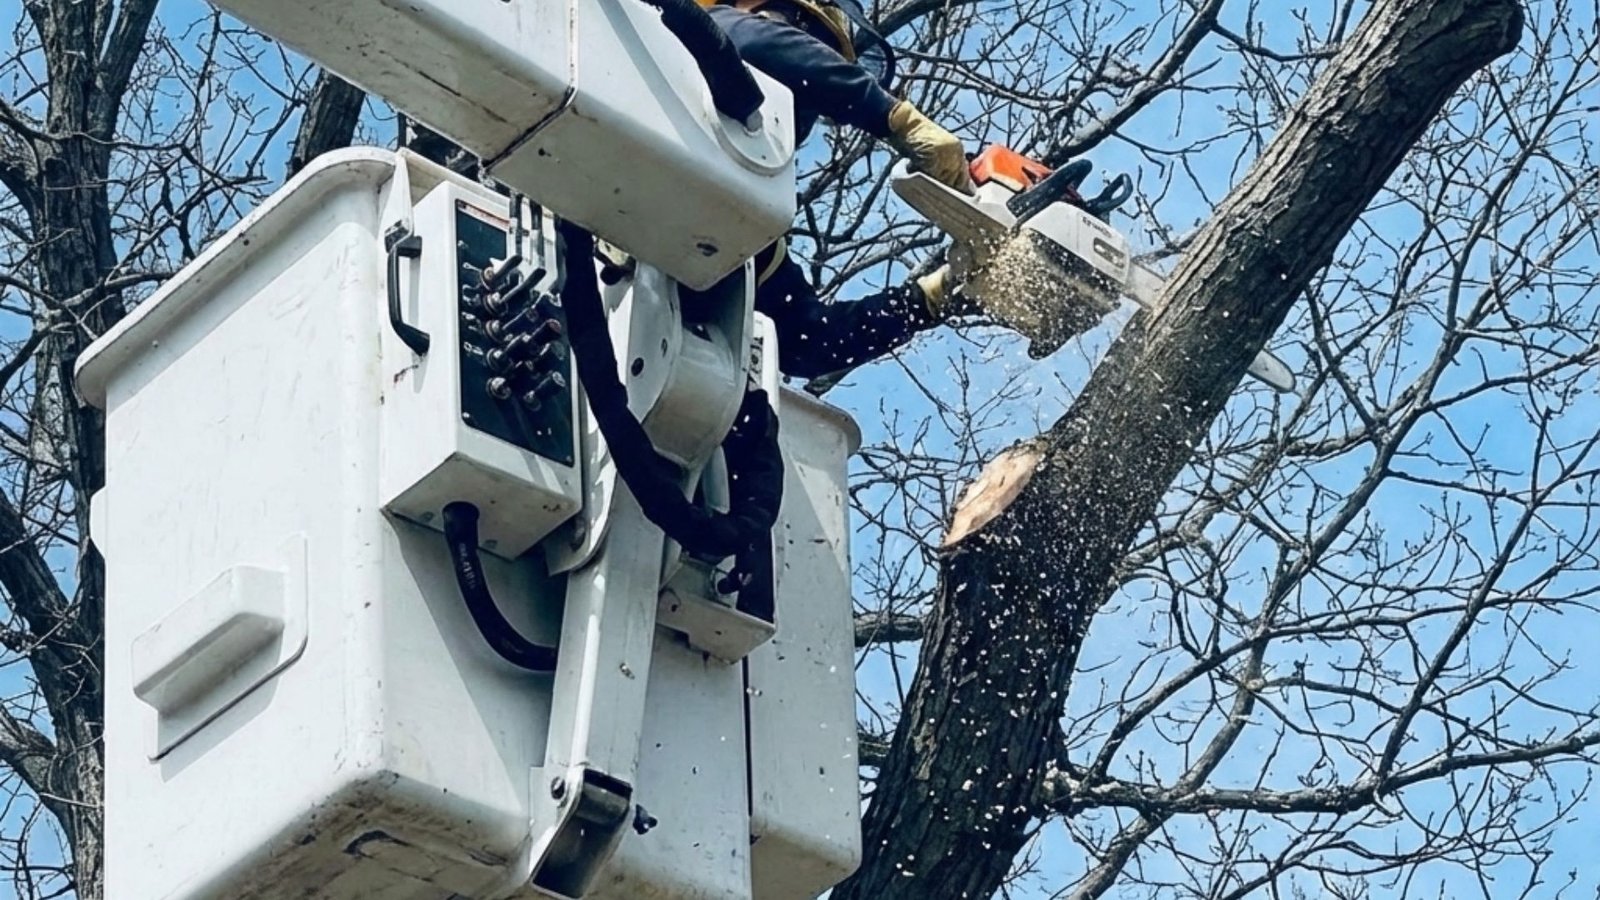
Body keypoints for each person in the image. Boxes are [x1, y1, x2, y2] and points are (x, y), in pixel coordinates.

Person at [698, 0, 975, 379]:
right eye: (808, 43)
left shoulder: (753, 241)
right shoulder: (692, 35)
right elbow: (752, 43)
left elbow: (809, 342)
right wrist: (894, 117)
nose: (804, 103)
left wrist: (930, 298)